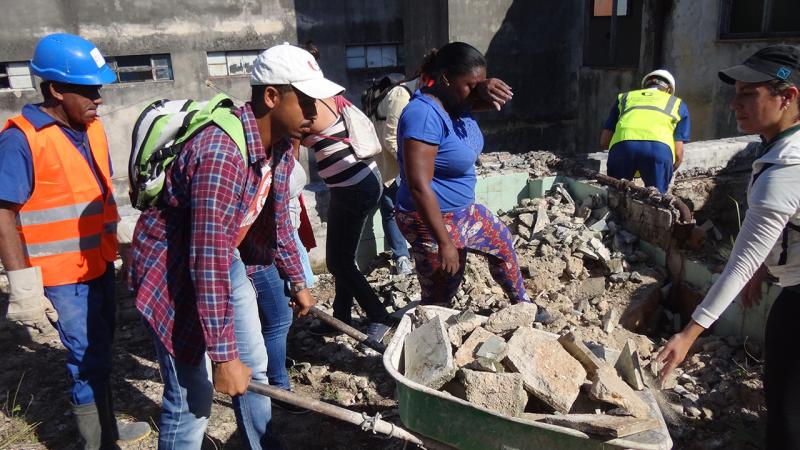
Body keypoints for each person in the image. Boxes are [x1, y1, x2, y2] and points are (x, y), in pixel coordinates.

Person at [128, 43, 333, 449]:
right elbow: (206, 262)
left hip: (224, 262)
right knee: (192, 399)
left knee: (254, 367)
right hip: (173, 269)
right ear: (272, 96)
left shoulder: (277, 149)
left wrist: (297, 280)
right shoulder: (220, 153)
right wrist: (222, 357)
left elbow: (273, 220)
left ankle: (261, 444)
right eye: (307, 101)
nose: (316, 113)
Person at [0, 33, 151, 449]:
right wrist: (24, 288)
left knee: (102, 350)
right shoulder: (21, 139)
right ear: (55, 90)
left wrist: (123, 248)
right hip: (62, 277)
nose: (98, 98)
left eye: (98, 89)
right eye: (87, 90)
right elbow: (3, 213)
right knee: (86, 359)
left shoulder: (93, 128)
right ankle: (96, 442)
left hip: (99, 263)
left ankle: (104, 427)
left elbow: (100, 196)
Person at [655, 45, 800, 449]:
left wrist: (688, 335)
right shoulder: (781, 147)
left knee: (787, 412)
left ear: (787, 97)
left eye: (749, 94)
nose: (734, 103)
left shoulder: (784, 170)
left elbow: (739, 263)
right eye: (736, 91)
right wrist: (764, 267)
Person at [394, 41, 531, 306]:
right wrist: (444, 243)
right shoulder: (423, 115)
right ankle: (426, 339)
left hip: (464, 211)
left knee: (502, 245)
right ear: (445, 78)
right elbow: (419, 186)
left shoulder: (456, 103)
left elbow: (489, 101)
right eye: (470, 84)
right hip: (429, 221)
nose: (474, 91)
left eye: (478, 84)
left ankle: (523, 307)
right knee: (442, 290)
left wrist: (483, 86)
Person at [300, 47, 394, 343]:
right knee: (343, 257)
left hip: (354, 187)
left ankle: (379, 316)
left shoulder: (309, 105)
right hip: (360, 181)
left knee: (338, 262)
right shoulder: (328, 96)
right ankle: (340, 317)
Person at [248, 150, 316, 412]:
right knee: (277, 319)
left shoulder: (278, 149)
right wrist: (298, 284)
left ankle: (272, 370)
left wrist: (297, 282)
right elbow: (280, 230)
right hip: (255, 252)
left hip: (265, 246)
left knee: (272, 316)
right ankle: (278, 388)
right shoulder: (262, 160)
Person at [599, 69, 691, 193]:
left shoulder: (625, 98)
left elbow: (605, 141)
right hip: (659, 152)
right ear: (669, 90)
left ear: (645, 86)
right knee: (657, 202)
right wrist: (665, 170)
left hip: (622, 148)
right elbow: (678, 153)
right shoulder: (678, 104)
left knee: (614, 195)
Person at [370, 74, 420, 276]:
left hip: (404, 162)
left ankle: (416, 252)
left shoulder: (415, 94)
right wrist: (411, 164)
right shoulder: (401, 95)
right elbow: (390, 138)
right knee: (391, 209)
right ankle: (401, 257)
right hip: (393, 165)